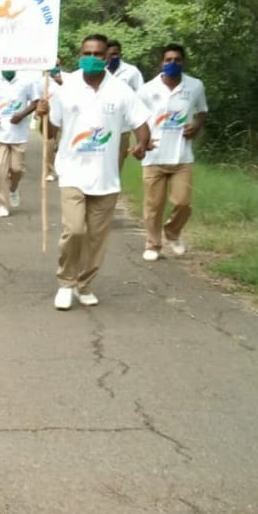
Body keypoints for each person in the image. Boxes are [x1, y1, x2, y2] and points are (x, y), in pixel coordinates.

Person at [36, 33, 151, 310]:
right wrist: (43, 114)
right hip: (72, 171)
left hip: (106, 176)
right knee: (74, 230)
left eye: (99, 54)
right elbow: (50, 131)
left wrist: (142, 144)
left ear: (107, 58)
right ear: (80, 55)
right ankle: (66, 282)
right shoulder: (65, 88)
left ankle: (84, 284)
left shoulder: (121, 90)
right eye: (87, 53)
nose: (92, 59)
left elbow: (141, 122)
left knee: (96, 238)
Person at [137, 43, 208, 260]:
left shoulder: (195, 86)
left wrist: (195, 126)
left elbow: (202, 112)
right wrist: (142, 142)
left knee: (182, 203)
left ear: (183, 62)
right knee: (153, 206)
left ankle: (173, 232)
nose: (172, 63)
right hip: (154, 156)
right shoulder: (147, 89)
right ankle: (152, 244)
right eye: (168, 60)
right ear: (161, 62)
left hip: (182, 157)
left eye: (177, 60)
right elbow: (137, 119)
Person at [0, 71, 39, 217]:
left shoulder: (26, 80)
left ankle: (13, 188)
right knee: (1, 171)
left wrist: (21, 115)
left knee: (17, 169)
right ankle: (3, 204)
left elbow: (36, 102)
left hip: (19, 134)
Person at [105, 40, 144, 166]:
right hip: (101, 125)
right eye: (110, 54)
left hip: (122, 128)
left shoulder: (131, 71)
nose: (113, 57)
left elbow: (141, 96)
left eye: (116, 54)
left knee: (116, 165)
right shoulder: (100, 71)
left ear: (121, 54)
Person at [43, 58, 66, 182]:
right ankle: (50, 171)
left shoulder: (68, 79)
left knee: (63, 144)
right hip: (50, 118)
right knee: (50, 145)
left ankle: (64, 169)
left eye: (57, 65)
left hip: (67, 118)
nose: (55, 67)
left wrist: (61, 82)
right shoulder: (43, 81)